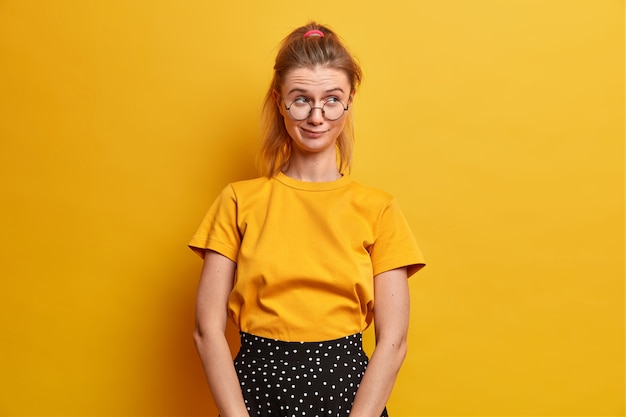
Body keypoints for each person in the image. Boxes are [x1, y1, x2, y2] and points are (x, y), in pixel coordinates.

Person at [189, 21, 425, 417]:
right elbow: (206, 329)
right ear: (279, 101)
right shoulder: (237, 201)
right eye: (301, 99)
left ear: (349, 100)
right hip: (253, 400)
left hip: (353, 403)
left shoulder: (380, 210)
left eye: (331, 99)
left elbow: (393, 341)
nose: (317, 116)